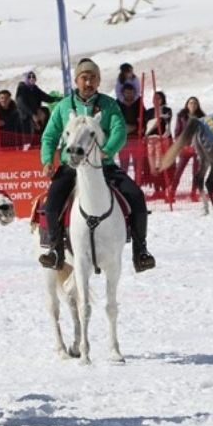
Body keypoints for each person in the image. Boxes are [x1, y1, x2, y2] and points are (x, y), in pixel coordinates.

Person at [37, 58, 156, 273]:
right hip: (71, 167)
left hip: (103, 166)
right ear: (76, 80)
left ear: (99, 80)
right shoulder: (64, 107)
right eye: (84, 78)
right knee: (52, 202)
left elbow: (119, 131)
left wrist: (106, 151)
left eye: (93, 78)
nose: (88, 82)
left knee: (136, 196)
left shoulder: (109, 106)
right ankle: (56, 250)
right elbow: (49, 136)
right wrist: (47, 160)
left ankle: (141, 251)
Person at [171, 97, 206, 196]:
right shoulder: (182, 116)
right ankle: (172, 191)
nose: (193, 105)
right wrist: (183, 144)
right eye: (191, 103)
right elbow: (177, 132)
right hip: (185, 148)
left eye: (195, 103)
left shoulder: (202, 117)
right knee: (179, 170)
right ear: (187, 105)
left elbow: (205, 132)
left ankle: (194, 192)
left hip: (197, 148)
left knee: (196, 171)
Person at [16, 70, 55, 137]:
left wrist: (58, 99)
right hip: (25, 117)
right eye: (29, 77)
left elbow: (45, 97)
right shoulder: (22, 88)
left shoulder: (34, 88)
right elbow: (21, 103)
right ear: (26, 79)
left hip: (35, 113)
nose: (32, 78)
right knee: (32, 133)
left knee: (46, 111)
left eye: (33, 76)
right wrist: (32, 114)